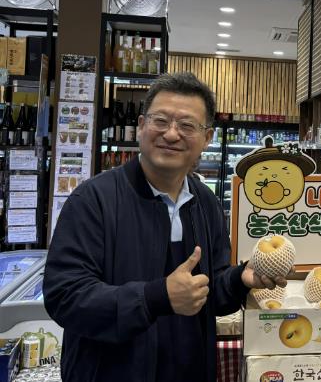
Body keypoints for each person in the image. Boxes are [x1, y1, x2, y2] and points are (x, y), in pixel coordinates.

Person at [43, 72, 286, 382]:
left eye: (187, 125)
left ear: (207, 138)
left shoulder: (205, 203)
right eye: (161, 121)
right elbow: (65, 296)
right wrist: (155, 298)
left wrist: (239, 279)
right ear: (141, 126)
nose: (171, 134)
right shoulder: (94, 200)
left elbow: (210, 292)